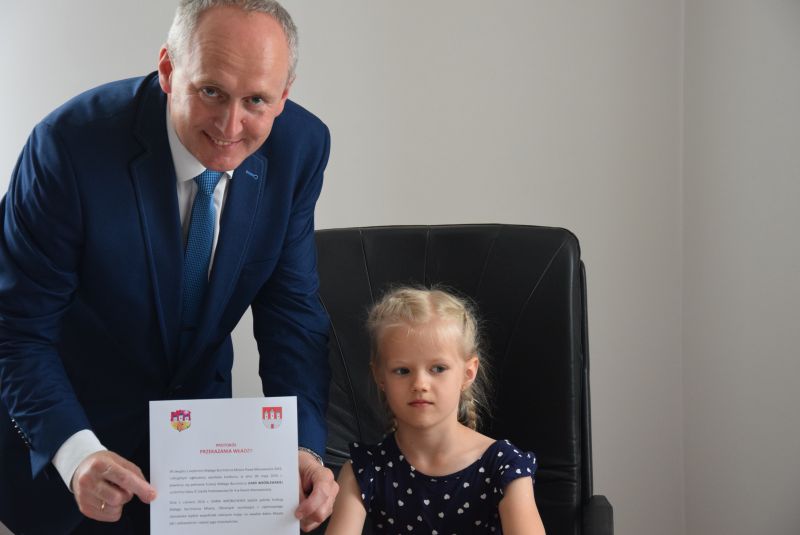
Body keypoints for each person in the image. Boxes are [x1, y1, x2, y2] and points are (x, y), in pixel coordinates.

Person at [0, 1, 338, 533]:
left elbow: (291, 314)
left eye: (256, 100)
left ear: (284, 95)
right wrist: (75, 453)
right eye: (211, 92)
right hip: (72, 438)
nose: (230, 125)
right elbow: (17, 329)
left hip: (201, 458)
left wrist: (302, 446)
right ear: (167, 70)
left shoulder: (301, 148)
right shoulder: (68, 147)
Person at [325, 288, 546, 535]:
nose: (420, 384)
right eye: (402, 371)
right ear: (379, 376)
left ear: (468, 373)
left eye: (438, 368)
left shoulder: (505, 466)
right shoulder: (364, 470)